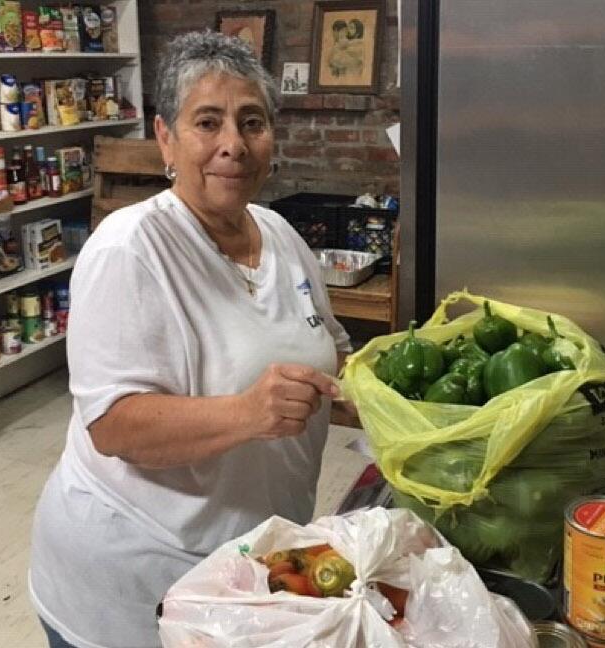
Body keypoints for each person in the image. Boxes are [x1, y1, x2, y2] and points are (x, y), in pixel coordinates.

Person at [28, 31, 357, 648]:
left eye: (252, 121)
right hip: (136, 584)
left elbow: (331, 353)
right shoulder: (130, 249)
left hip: (244, 567)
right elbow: (115, 425)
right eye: (208, 122)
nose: (233, 145)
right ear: (165, 139)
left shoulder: (280, 235)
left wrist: (383, 401)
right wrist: (248, 412)